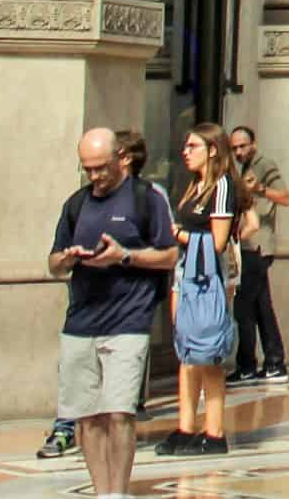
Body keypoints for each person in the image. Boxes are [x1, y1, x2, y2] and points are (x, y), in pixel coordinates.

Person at [48, 126, 178, 499]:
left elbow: (169, 254)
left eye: (101, 167)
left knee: (119, 412)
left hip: (129, 321)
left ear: (120, 158)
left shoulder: (146, 198)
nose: (94, 176)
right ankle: (101, 490)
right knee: (86, 415)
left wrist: (124, 255)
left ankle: (117, 493)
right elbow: (53, 263)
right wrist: (68, 259)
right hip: (81, 322)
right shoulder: (76, 204)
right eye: (87, 169)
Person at [155, 122, 239, 460]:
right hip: (185, 271)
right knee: (186, 351)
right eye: (186, 146)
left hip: (208, 275)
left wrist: (177, 234)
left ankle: (214, 431)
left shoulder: (222, 186)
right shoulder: (194, 186)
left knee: (208, 353)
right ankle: (186, 426)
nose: (185, 152)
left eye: (193, 146)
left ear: (213, 150)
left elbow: (218, 242)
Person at [227, 125, 289, 386]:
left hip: (257, 246)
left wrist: (261, 189)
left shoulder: (264, 165)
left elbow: (285, 197)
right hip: (249, 246)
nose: (239, 152)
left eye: (243, 146)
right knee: (261, 306)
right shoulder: (240, 168)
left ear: (253, 144)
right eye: (234, 148)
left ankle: (248, 365)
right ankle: (274, 362)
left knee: (245, 308)